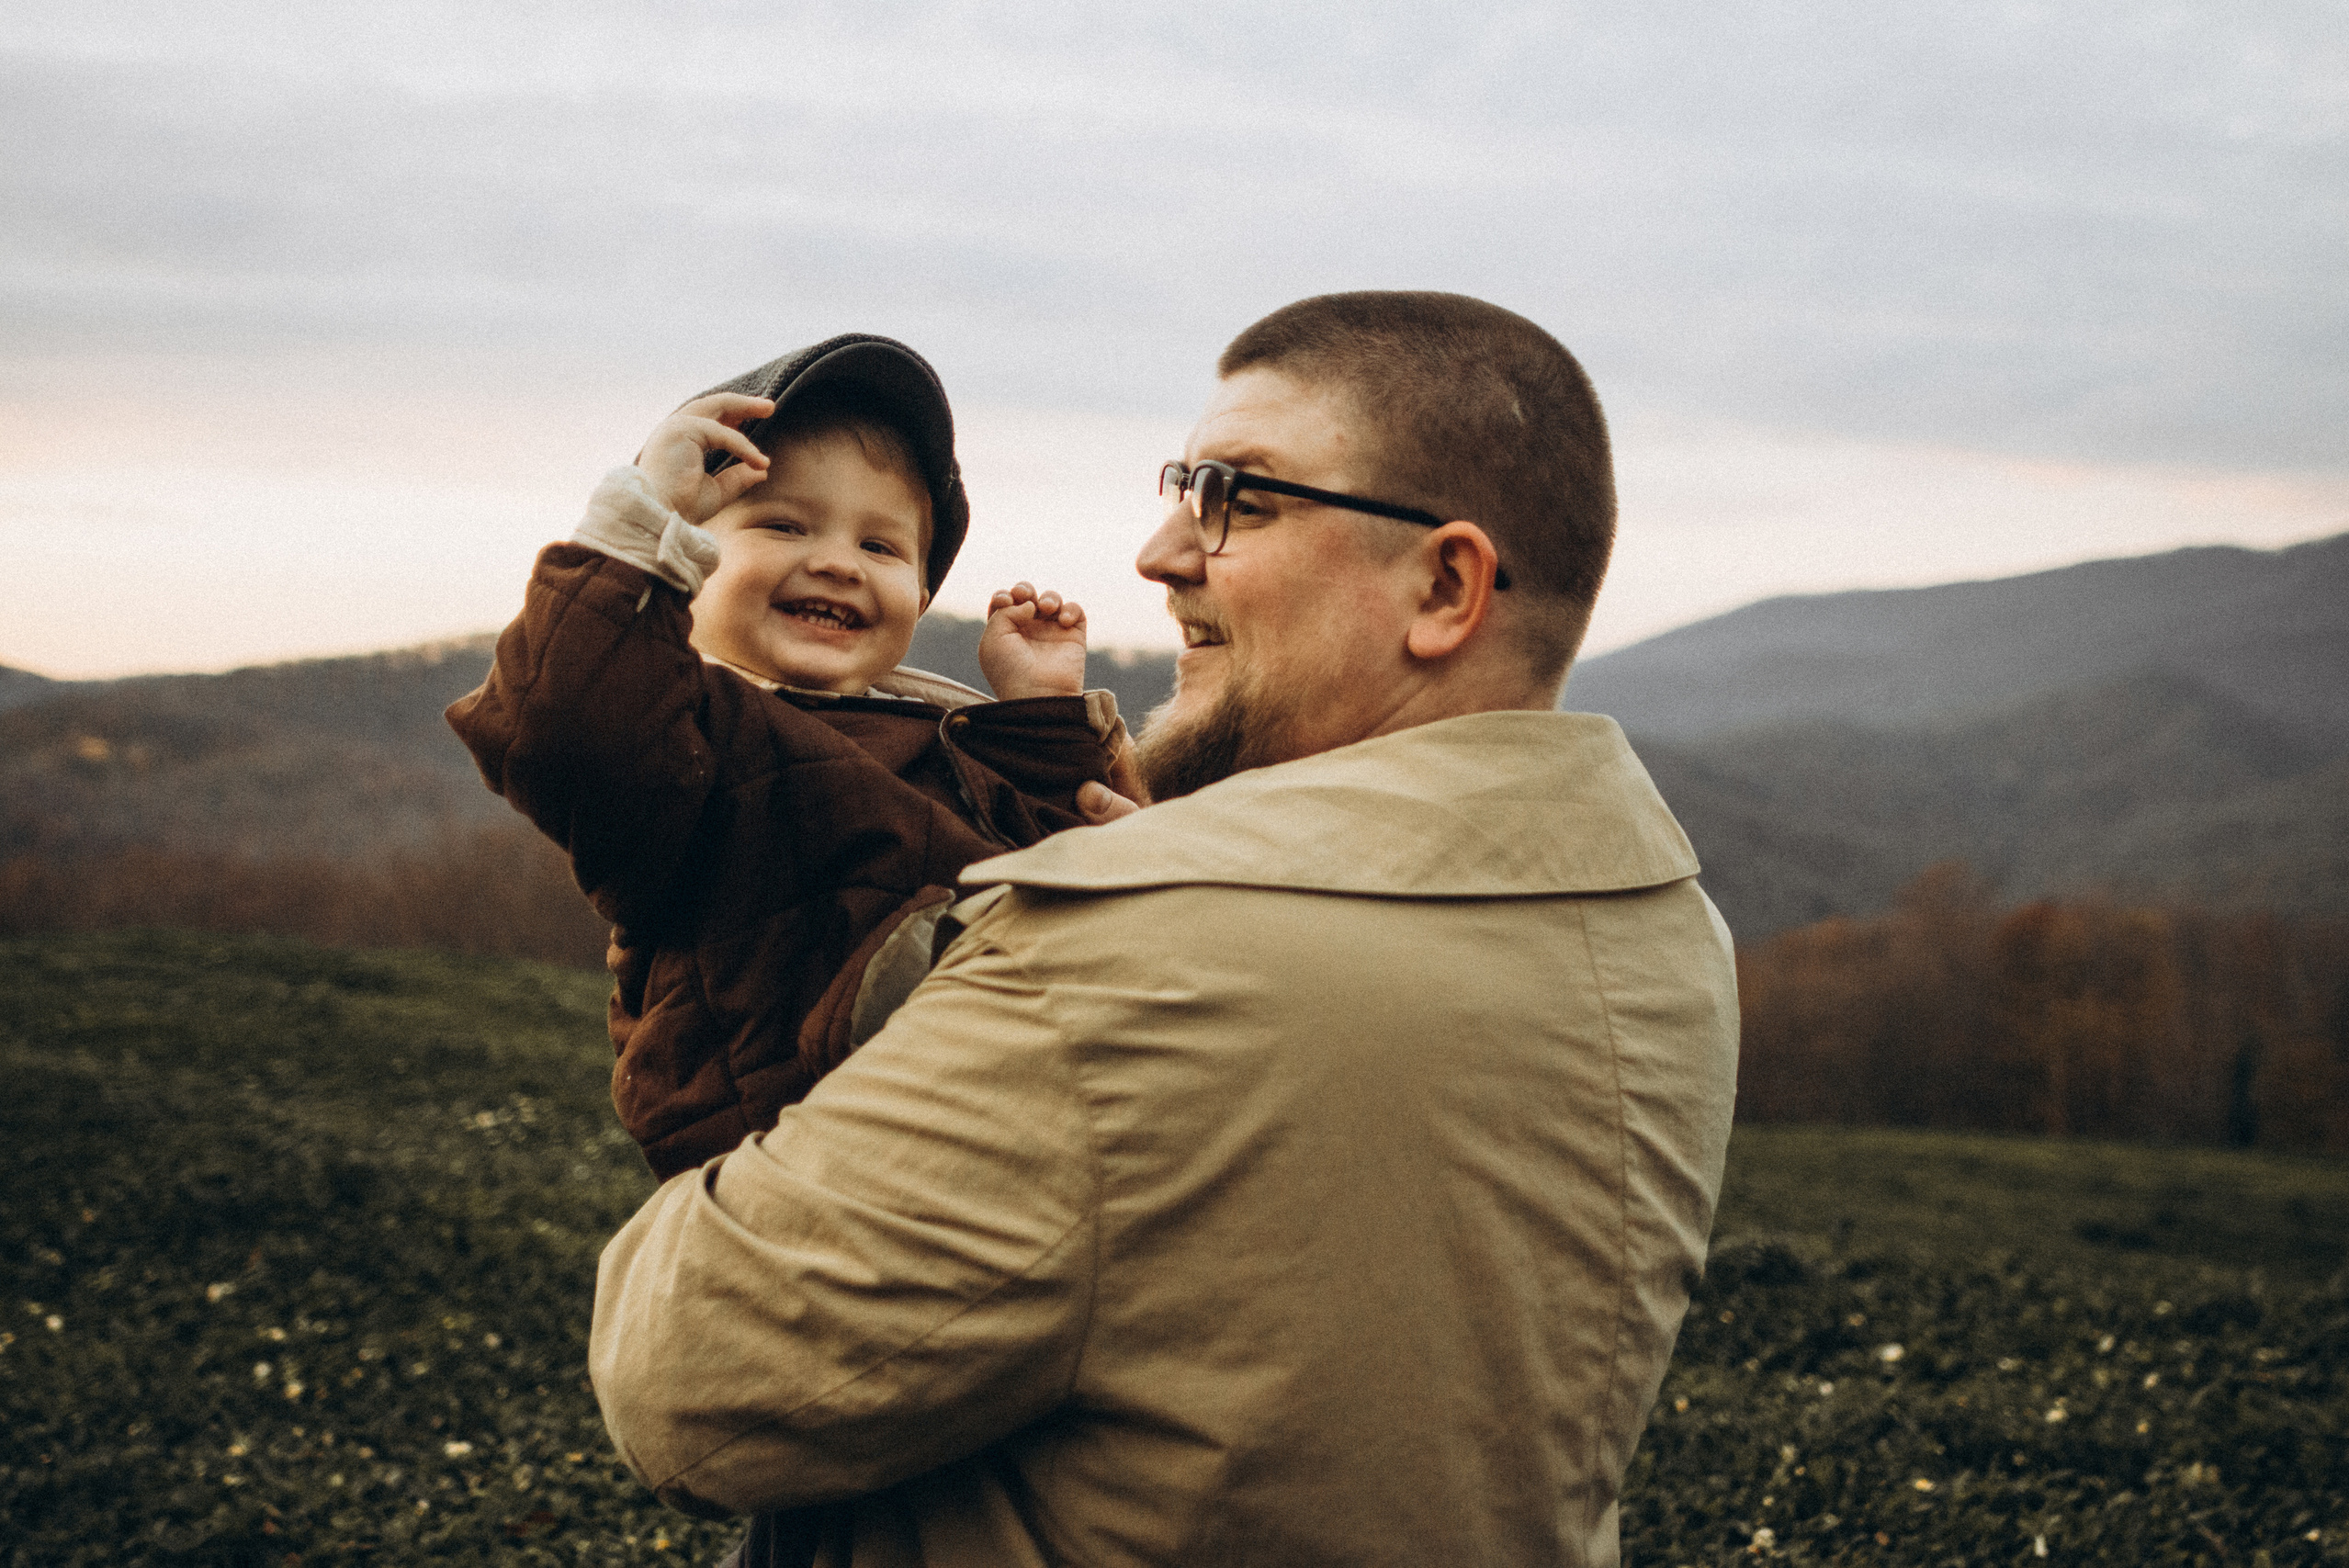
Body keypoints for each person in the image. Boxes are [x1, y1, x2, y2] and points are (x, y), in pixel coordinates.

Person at [590, 293, 1742, 1567]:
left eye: (1235, 496)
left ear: (1445, 584)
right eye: (1180, 485)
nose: (1159, 551)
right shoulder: (1668, 938)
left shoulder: (1128, 956)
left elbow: (683, 1386)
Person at [447, 334, 1135, 1179]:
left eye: (880, 546)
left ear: (922, 595)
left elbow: (1068, 875)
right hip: (794, 1170)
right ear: (688, 562)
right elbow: (564, 727)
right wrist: (639, 529)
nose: (837, 561)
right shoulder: (686, 736)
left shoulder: (941, 734)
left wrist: (1037, 719)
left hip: (996, 1142)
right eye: (782, 523)